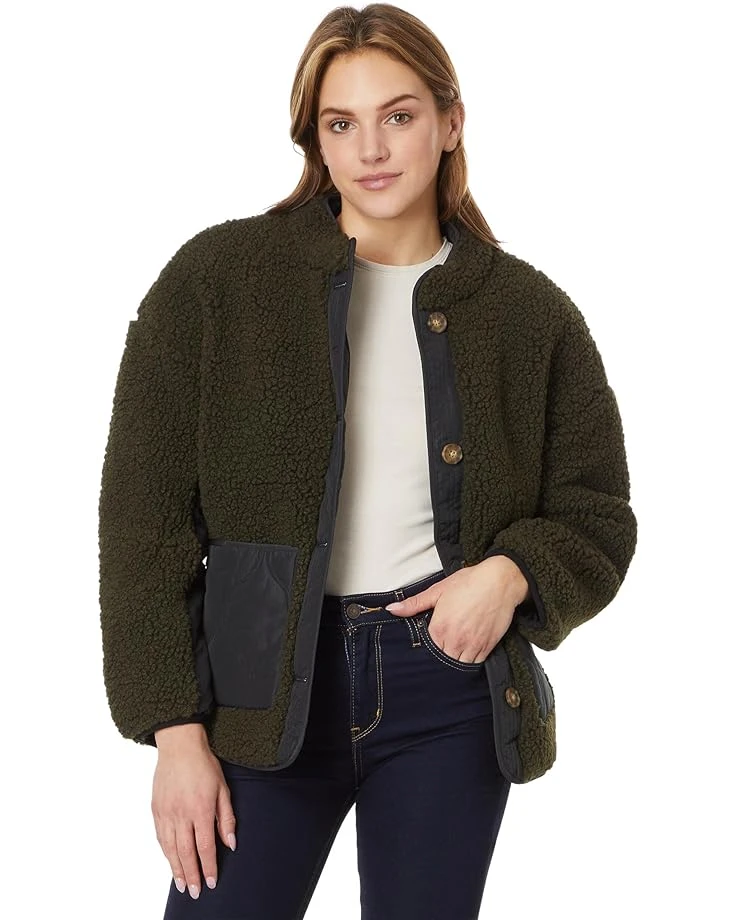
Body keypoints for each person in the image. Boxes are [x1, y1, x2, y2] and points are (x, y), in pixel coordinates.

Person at [98, 4, 637, 918]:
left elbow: (598, 512)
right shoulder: (218, 281)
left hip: (446, 689)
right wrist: (175, 731)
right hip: (257, 696)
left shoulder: (527, 313)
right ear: (315, 137)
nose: (372, 149)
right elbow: (141, 523)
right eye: (341, 124)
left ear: (450, 122)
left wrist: (509, 573)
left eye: (400, 115)